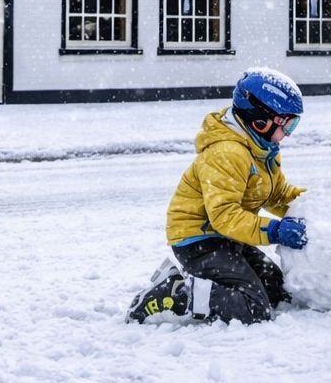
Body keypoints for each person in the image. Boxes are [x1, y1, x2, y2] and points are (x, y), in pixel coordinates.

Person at [127, 68, 308, 325]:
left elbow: (277, 195)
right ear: (260, 120)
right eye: (288, 124)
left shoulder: (263, 149)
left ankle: (195, 284)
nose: (288, 133)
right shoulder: (227, 153)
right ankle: (178, 294)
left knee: (276, 290)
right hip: (199, 241)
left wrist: (320, 202)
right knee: (255, 309)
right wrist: (275, 231)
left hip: (226, 237)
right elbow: (224, 216)